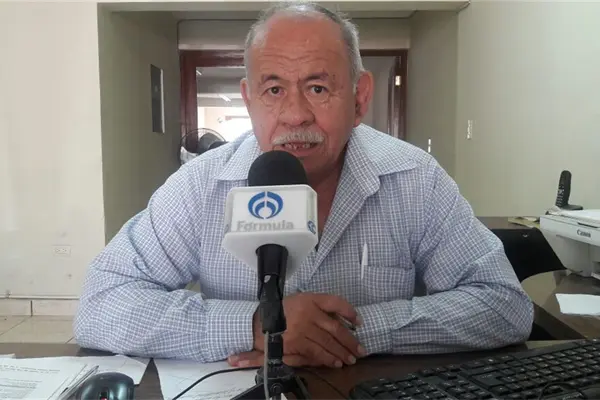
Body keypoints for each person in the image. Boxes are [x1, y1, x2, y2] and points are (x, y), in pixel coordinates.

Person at [73, 2, 534, 369]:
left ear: (359, 98)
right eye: (274, 90)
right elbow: (100, 305)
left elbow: (504, 305)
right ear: (249, 99)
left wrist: (348, 331)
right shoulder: (200, 186)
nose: (295, 115)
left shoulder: (416, 179)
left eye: (317, 88)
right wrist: (257, 325)